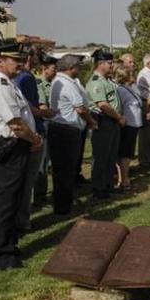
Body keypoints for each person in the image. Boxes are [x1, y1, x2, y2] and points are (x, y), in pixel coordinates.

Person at [0, 45, 43, 269]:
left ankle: (5, 243)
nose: (20, 64)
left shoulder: (8, 83)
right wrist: (34, 139)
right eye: (15, 60)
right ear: (0, 61)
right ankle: (2, 254)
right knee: (4, 201)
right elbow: (15, 123)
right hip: (7, 147)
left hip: (13, 146)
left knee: (10, 198)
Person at [48, 55, 95, 215]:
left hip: (61, 128)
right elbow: (80, 108)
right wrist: (91, 121)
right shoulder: (67, 84)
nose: (80, 70)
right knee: (66, 170)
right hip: (66, 130)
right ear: (71, 68)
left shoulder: (59, 81)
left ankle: (63, 204)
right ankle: (63, 207)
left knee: (62, 170)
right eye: (78, 67)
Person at [14, 48, 54, 231]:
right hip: (31, 130)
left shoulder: (20, 77)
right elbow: (28, 106)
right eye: (38, 56)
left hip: (27, 129)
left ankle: (22, 216)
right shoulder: (26, 78)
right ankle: (23, 219)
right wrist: (45, 113)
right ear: (31, 57)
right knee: (32, 175)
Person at [87, 49, 125, 199]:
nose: (111, 65)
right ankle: (98, 188)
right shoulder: (95, 81)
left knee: (110, 156)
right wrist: (118, 117)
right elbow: (102, 104)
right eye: (109, 63)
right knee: (101, 156)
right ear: (100, 63)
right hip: (103, 121)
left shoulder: (106, 81)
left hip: (112, 121)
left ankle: (108, 185)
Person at [33, 54, 59, 207]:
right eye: (53, 69)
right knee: (42, 163)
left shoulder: (52, 84)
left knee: (50, 160)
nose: (55, 71)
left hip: (53, 124)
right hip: (45, 124)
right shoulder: (39, 84)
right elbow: (42, 107)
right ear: (45, 68)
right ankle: (39, 196)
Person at [115, 67, 142, 190]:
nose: (134, 75)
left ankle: (124, 179)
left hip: (134, 124)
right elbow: (118, 107)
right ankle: (124, 180)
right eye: (132, 74)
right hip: (127, 125)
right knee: (125, 154)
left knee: (128, 153)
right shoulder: (120, 90)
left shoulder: (131, 88)